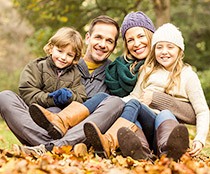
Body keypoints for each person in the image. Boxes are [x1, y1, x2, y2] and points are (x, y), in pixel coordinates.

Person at [0, 15, 124, 155]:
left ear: (114, 46)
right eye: (98, 37)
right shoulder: (61, 65)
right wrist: (52, 99)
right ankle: (55, 147)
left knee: (116, 102)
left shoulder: (115, 73)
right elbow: (30, 93)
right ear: (88, 38)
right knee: (4, 97)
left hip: (80, 132)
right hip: (46, 126)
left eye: (109, 41)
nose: (102, 44)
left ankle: (49, 147)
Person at [85, 23, 209, 161]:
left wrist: (200, 139)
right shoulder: (148, 70)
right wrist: (112, 102)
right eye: (159, 47)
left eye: (170, 47)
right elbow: (135, 96)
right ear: (154, 50)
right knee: (134, 108)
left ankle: (168, 151)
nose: (164, 52)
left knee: (165, 113)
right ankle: (140, 151)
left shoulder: (188, 75)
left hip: (167, 127)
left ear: (180, 50)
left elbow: (202, 111)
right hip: (148, 124)